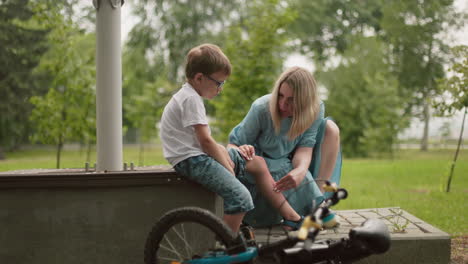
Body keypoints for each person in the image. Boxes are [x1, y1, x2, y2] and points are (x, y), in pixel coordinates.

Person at [161, 43, 280, 234]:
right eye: (219, 83)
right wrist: (226, 166)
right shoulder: (191, 99)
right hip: (192, 161)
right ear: (199, 78)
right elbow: (205, 142)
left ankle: (236, 220)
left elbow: (204, 142)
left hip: (194, 156)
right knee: (242, 198)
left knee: (243, 159)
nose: (221, 89)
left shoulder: (189, 95)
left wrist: (228, 154)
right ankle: (226, 246)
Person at [227, 66, 342, 229]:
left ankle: (316, 203)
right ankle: (308, 209)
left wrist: (300, 171)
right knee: (281, 167)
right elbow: (232, 146)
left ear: (305, 101)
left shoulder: (315, 109)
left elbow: (305, 147)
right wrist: (243, 149)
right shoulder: (261, 108)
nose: (282, 104)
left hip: (288, 164)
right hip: (259, 173)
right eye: (280, 95)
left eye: (291, 100)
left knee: (331, 128)